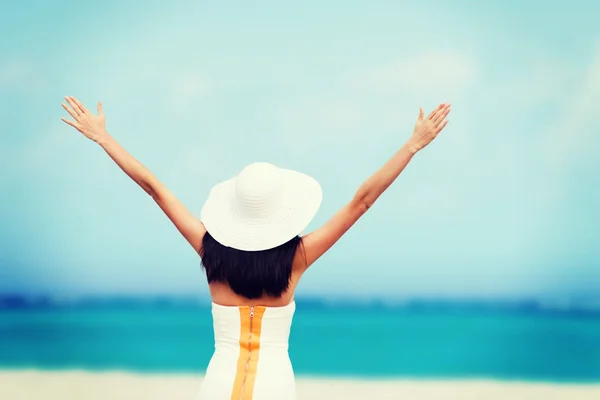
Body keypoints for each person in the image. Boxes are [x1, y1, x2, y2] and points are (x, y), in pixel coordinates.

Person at [61, 96, 450, 400]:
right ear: (282, 213)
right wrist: (413, 145)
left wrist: (103, 137)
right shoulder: (296, 259)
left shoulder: (209, 252)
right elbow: (362, 201)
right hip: (273, 386)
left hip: (218, 383)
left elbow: (155, 189)